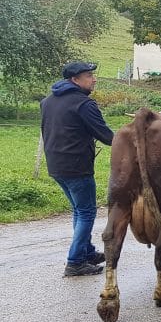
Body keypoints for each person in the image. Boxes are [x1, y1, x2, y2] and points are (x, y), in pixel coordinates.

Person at [40, 61, 114, 277]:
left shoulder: (47, 102)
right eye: (89, 75)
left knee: (79, 211)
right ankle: (74, 263)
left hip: (56, 166)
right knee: (86, 212)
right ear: (75, 80)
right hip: (77, 167)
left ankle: (86, 252)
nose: (94, 79)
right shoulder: (83, 104)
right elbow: (106, 136)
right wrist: (132, 138)